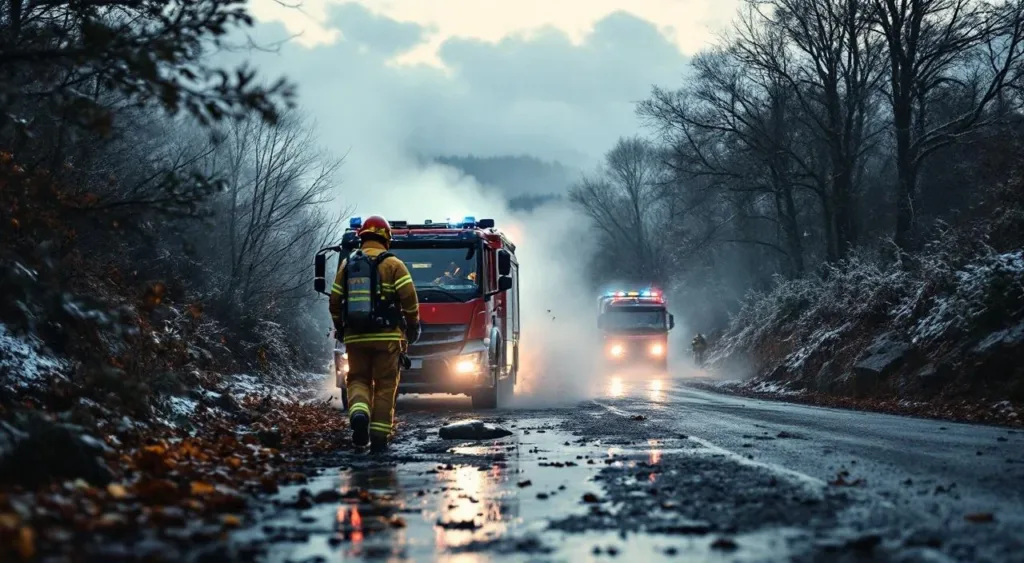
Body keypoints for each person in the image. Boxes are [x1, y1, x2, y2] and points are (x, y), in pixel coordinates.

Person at [329, 215, 421, 452]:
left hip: (355, 337)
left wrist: (341, 327)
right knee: (385, 384)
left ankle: (359, 415)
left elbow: (335, 301)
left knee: (357, 379)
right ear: (386, 238)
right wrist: (412, 326)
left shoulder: (347, 264)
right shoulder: (394, 265)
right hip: (388, 338)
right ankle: (379, 437)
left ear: (362, 238)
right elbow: (410, 300)